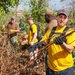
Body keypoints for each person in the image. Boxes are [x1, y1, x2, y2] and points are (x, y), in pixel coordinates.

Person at [40, 9, 75, 75]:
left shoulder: (70, 32)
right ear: (56, 17)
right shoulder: (50, 31)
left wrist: (62, 43)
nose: (62, 20)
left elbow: (70, 49)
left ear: (67, 19)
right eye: (60, 17)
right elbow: (44, 42)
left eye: (64, 18)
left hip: (66, 70)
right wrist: (40, 43)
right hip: (51, 69)